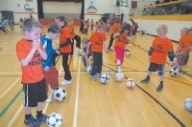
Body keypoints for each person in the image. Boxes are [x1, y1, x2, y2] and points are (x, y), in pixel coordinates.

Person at [16, 18, 48, 126]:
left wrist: (38, 48)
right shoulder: (20, 44)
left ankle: (39, 114)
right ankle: (28, 117)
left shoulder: (38, 42)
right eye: (36, 33)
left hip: (40, 77)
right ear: (27, 33)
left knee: (40, 98)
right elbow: (24, 63)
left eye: (39, 33)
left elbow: (45, 57)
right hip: (29, 80)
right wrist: (33, 49)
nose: (39, 36)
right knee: (29, 101)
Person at [140, 25, 174, 92]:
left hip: (161, 61)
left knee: (161, 73)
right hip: (153, 59)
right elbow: (152, 48)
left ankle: (161, 84)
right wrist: (149, 54)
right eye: (158, 33)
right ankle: (147, 78)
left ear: (165, 33)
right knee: (149, 70)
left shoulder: (168, 42)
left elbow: (171, 51)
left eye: (161, 33)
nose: (159, 34)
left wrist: (171, 60)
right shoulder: (156, 39)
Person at [41, 24, 61, 103]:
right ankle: (43, 96)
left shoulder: (49, 40)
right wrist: (44, 65)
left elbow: (49, 50)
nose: (57, 38)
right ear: (51, 33)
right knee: (45, 81)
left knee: (55, 73)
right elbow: (38, 55)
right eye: (56, 36)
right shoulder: (43, 41)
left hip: (49, 63)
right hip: (45, 65)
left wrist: (54, 51)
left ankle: (55, 89)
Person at [55, 16, 72, 85]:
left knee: (65, 64)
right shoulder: (61, 29)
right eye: (56, 22)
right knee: (53, 55)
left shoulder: (65, 29)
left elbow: (69, 41)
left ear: (62, 22)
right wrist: (59, 48)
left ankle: (68, 79)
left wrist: (60, 46)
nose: (56, 24)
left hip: (66, 50)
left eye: (58, 22)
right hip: (62, 49)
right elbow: (62, 40)